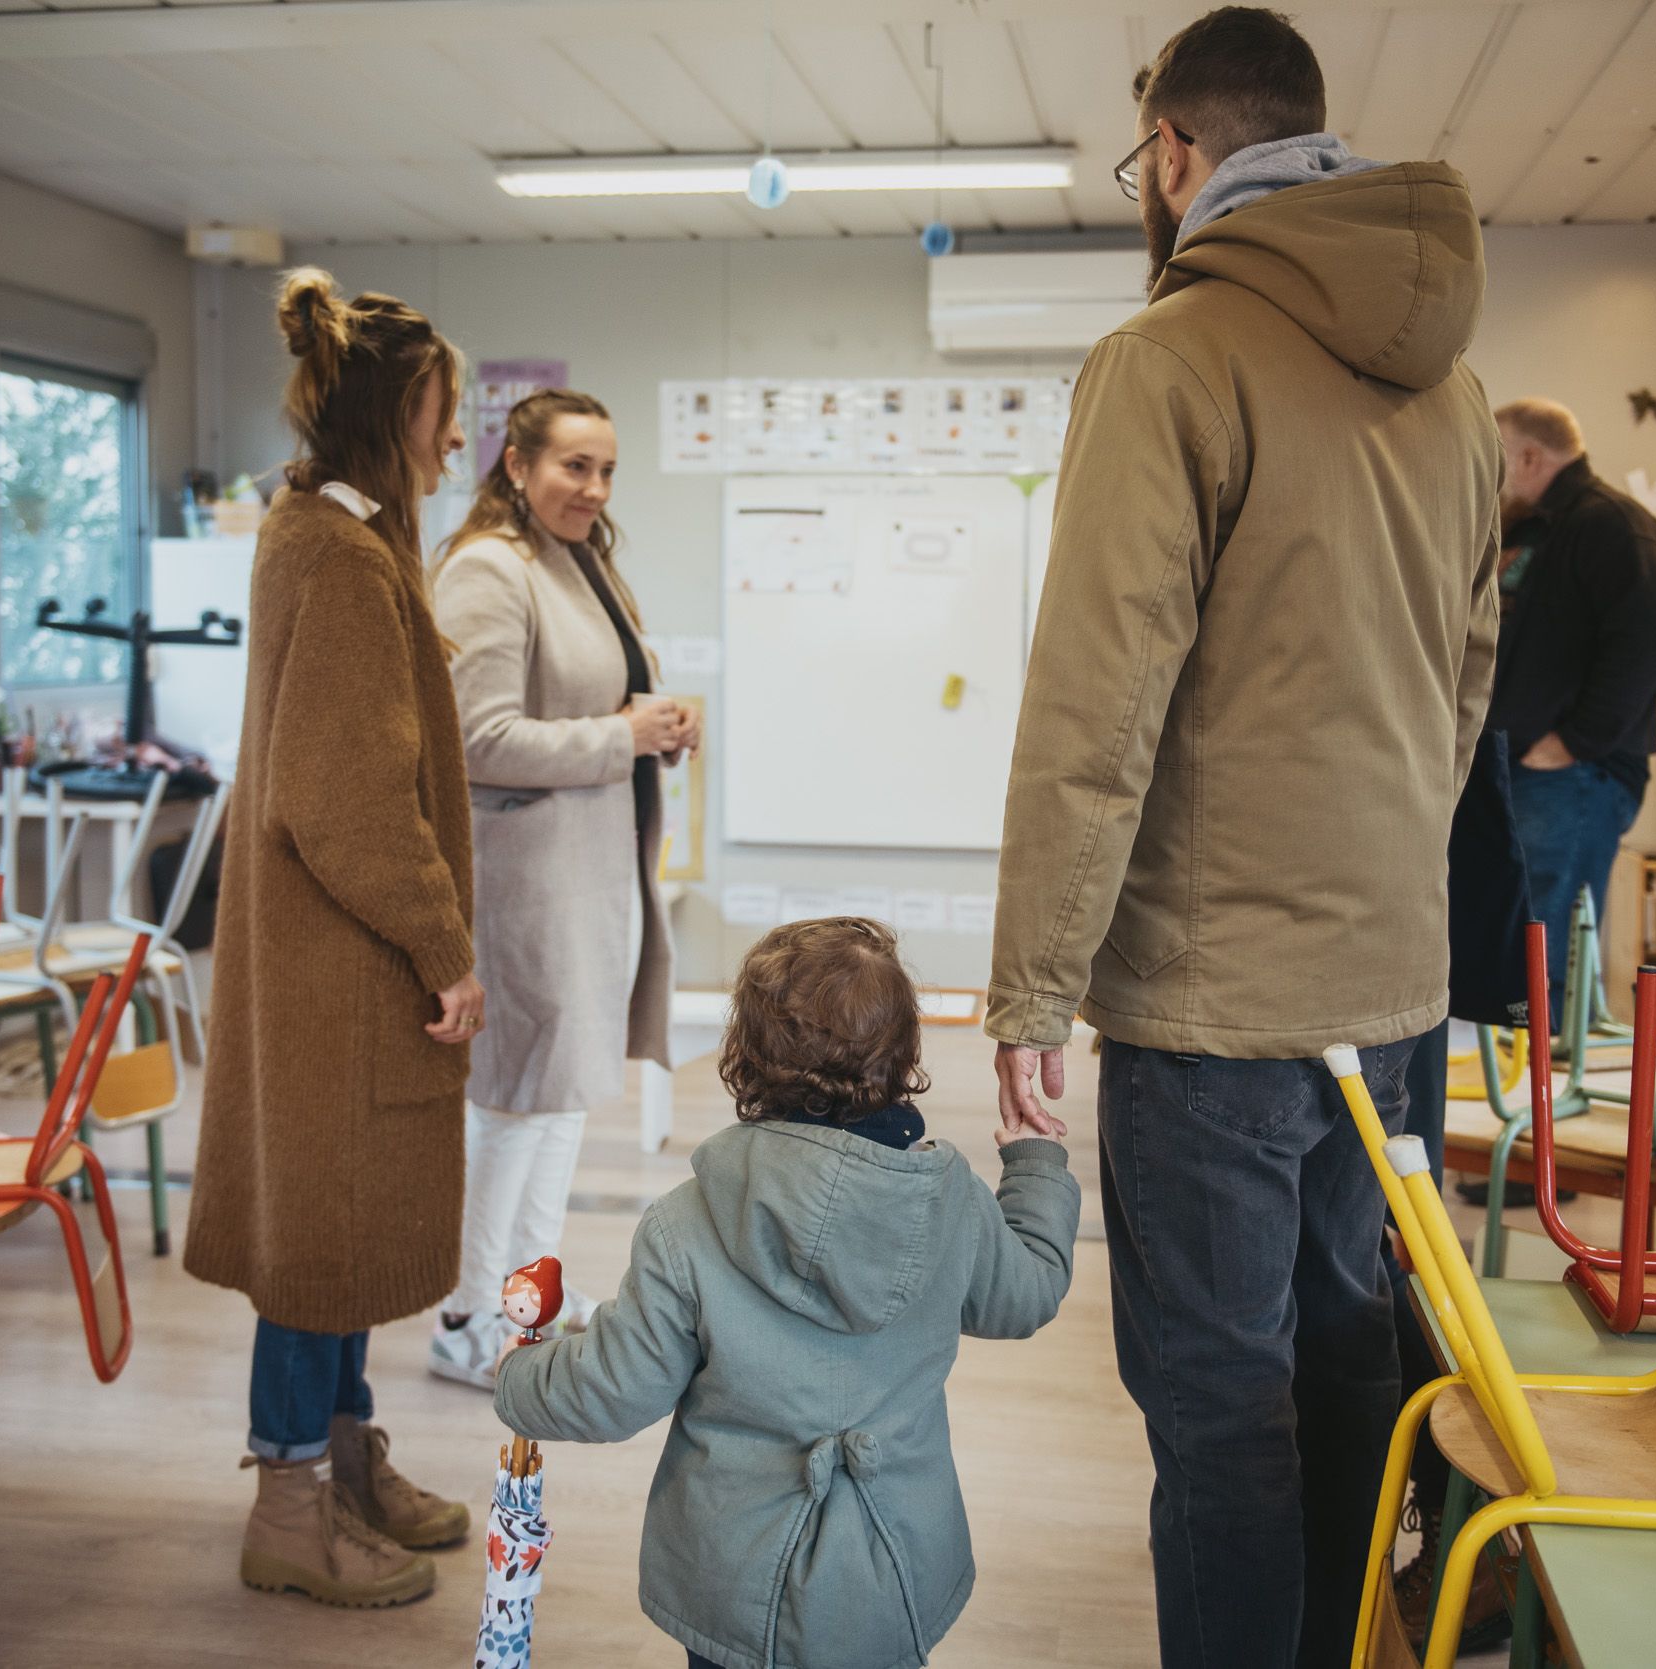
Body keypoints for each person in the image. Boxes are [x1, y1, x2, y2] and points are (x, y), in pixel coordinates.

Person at [982, 9, 1501, 1666]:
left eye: (1149, 163)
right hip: (1392, 986)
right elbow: (1468, 671)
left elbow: (1093, 704)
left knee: (1220, 1420)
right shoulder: (1457, 383)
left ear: (1186, 155)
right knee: (1355, 1367)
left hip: (1215, 1005)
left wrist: (1029, 988)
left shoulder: (1174, 356)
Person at [493, 917, 1080, 1669]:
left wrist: (519, 1373)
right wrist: (1034, 1164)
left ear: (746, 1053)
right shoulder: (954, 1201)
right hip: (893, 1571)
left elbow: (615, 1385)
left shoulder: (688, 1220)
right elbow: (1027, 1291)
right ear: (905, 1055)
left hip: (735, 1581)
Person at [182, 268, 483, 1608]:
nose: (456, 436)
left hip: (324, 966)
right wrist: (448, 949)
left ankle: (348, 1465)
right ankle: (290, 1509)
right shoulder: (346, 560)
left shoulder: (328, 531)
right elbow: (349, 801)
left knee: (344, 1225)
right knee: (319, 1242)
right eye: (443, 409)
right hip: (343, 967)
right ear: (395, 408)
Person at [428, 389, 691, 1388]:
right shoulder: (489, 571)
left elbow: (589, 700)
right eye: (573, 465)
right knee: (513, 1106)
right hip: (524, 881)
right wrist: (621, 737)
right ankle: (464, 1319)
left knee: (563, 1101)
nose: (592, 486)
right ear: (516, 466)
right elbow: (474, 739)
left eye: (607, 468)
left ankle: (524, 1298)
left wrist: (651, 722)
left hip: (589, 873)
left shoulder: (577, 561)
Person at [1484, 396, 1656, 1026]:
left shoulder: (1612, 525)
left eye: (1496, 457)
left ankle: (1547, 1084)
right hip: (1519, 766)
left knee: (1550, 934)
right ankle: (1515, 1079)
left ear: (1531, 455)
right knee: (1518, 928)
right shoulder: (1530, 532)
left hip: (1574, 775)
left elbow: (1643, 643)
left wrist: (1573, 741)